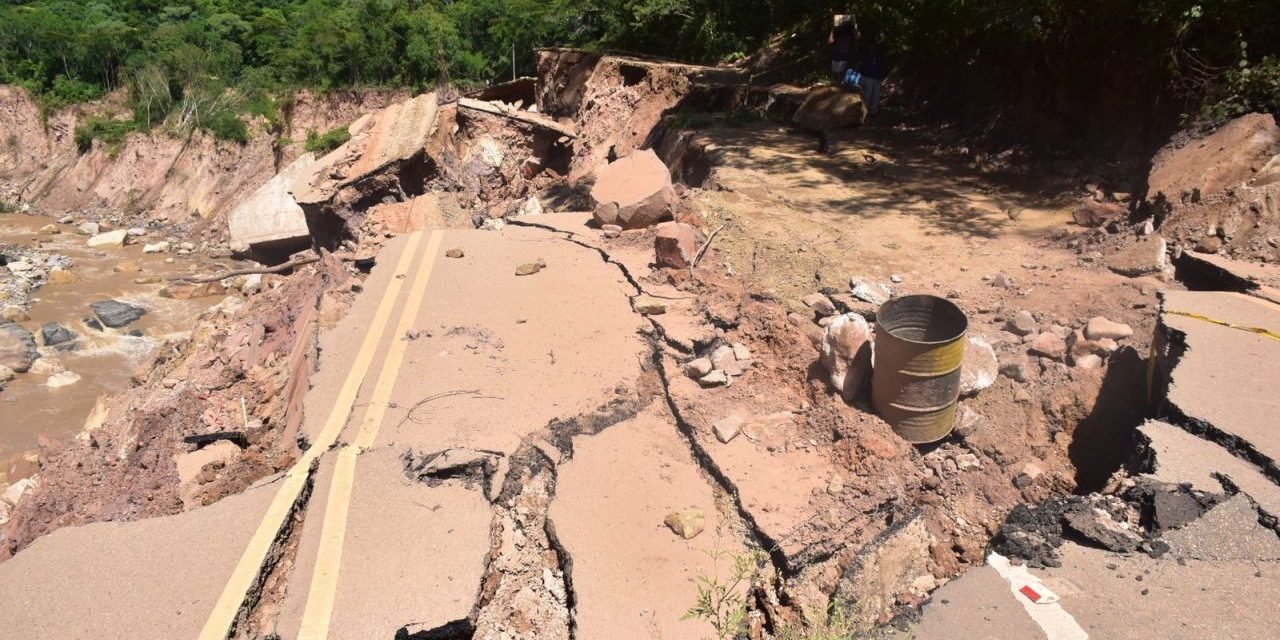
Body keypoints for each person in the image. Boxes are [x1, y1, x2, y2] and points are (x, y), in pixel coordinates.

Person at [858, 39, 887, 115]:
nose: (872, 47)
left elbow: (883, 66)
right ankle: (865, 111)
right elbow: (860, 65)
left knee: (876, 95)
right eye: (871, 46)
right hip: (867, 76)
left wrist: (882, 75)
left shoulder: (879, 55)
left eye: (874, 46)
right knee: (867, 94)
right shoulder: (865, 55)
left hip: (877, 77)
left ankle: (873, 111)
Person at [829, 15, 858, 80]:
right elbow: (830, 41)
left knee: (842, 72)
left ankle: (841, 82)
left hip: (845, 56)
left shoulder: (849, 35)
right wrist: (833, 29)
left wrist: (856, 27)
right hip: (836, 56)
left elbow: (858, 37)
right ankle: (837, 83)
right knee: (835, 73)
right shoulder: (837, 34)